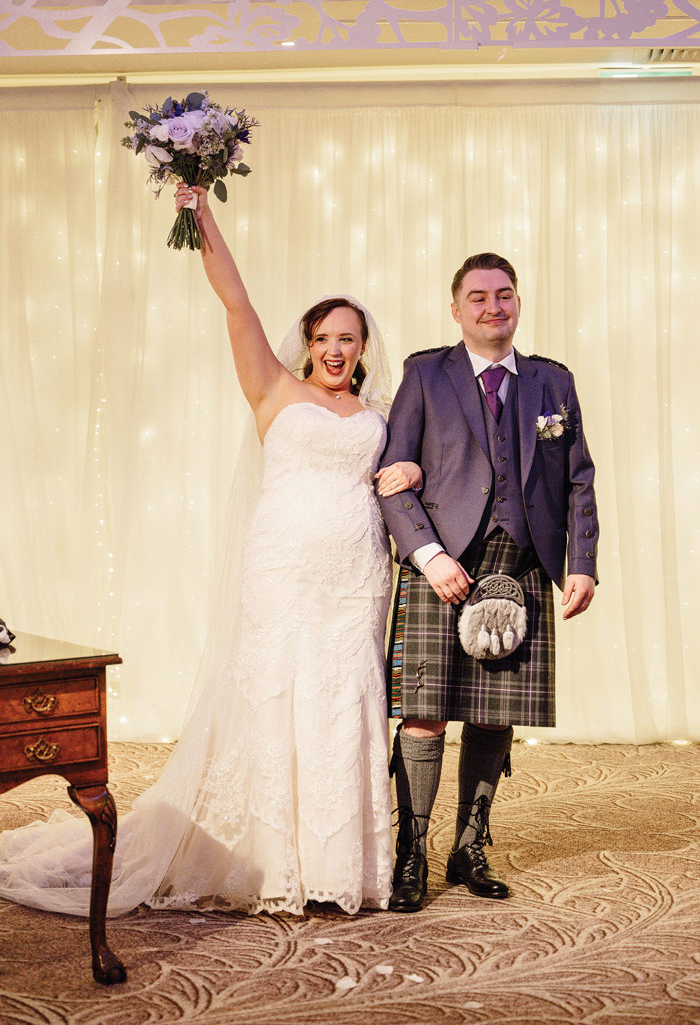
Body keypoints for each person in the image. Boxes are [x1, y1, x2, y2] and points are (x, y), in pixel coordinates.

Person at [0, 186, 421, 918]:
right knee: (277, 698)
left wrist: (410, 467)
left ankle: (337, 866)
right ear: (308, 341)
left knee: (343, 703)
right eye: (324, 336)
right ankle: (272, 863)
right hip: (283, 572)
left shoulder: (382, 414)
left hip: (356, 579)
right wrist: (201, 216)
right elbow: (238, 304)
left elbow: (416, 469)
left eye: (348, 338)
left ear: (363, 347)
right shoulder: (273, 388)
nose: (335, 349)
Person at [377, 252, 598, 912]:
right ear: (456, 308)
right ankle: (410, 852)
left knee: (496, 713)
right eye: (478, 297)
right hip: (444, 564)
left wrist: (581, 561)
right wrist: (428, 556)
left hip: (522, 564)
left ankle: (468, 846)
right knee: (423, 713)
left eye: (504, 296)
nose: (492, 308)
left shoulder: (552, 383)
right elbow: (393, 477)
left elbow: (578, 476)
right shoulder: (425, 374)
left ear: (518, 304)